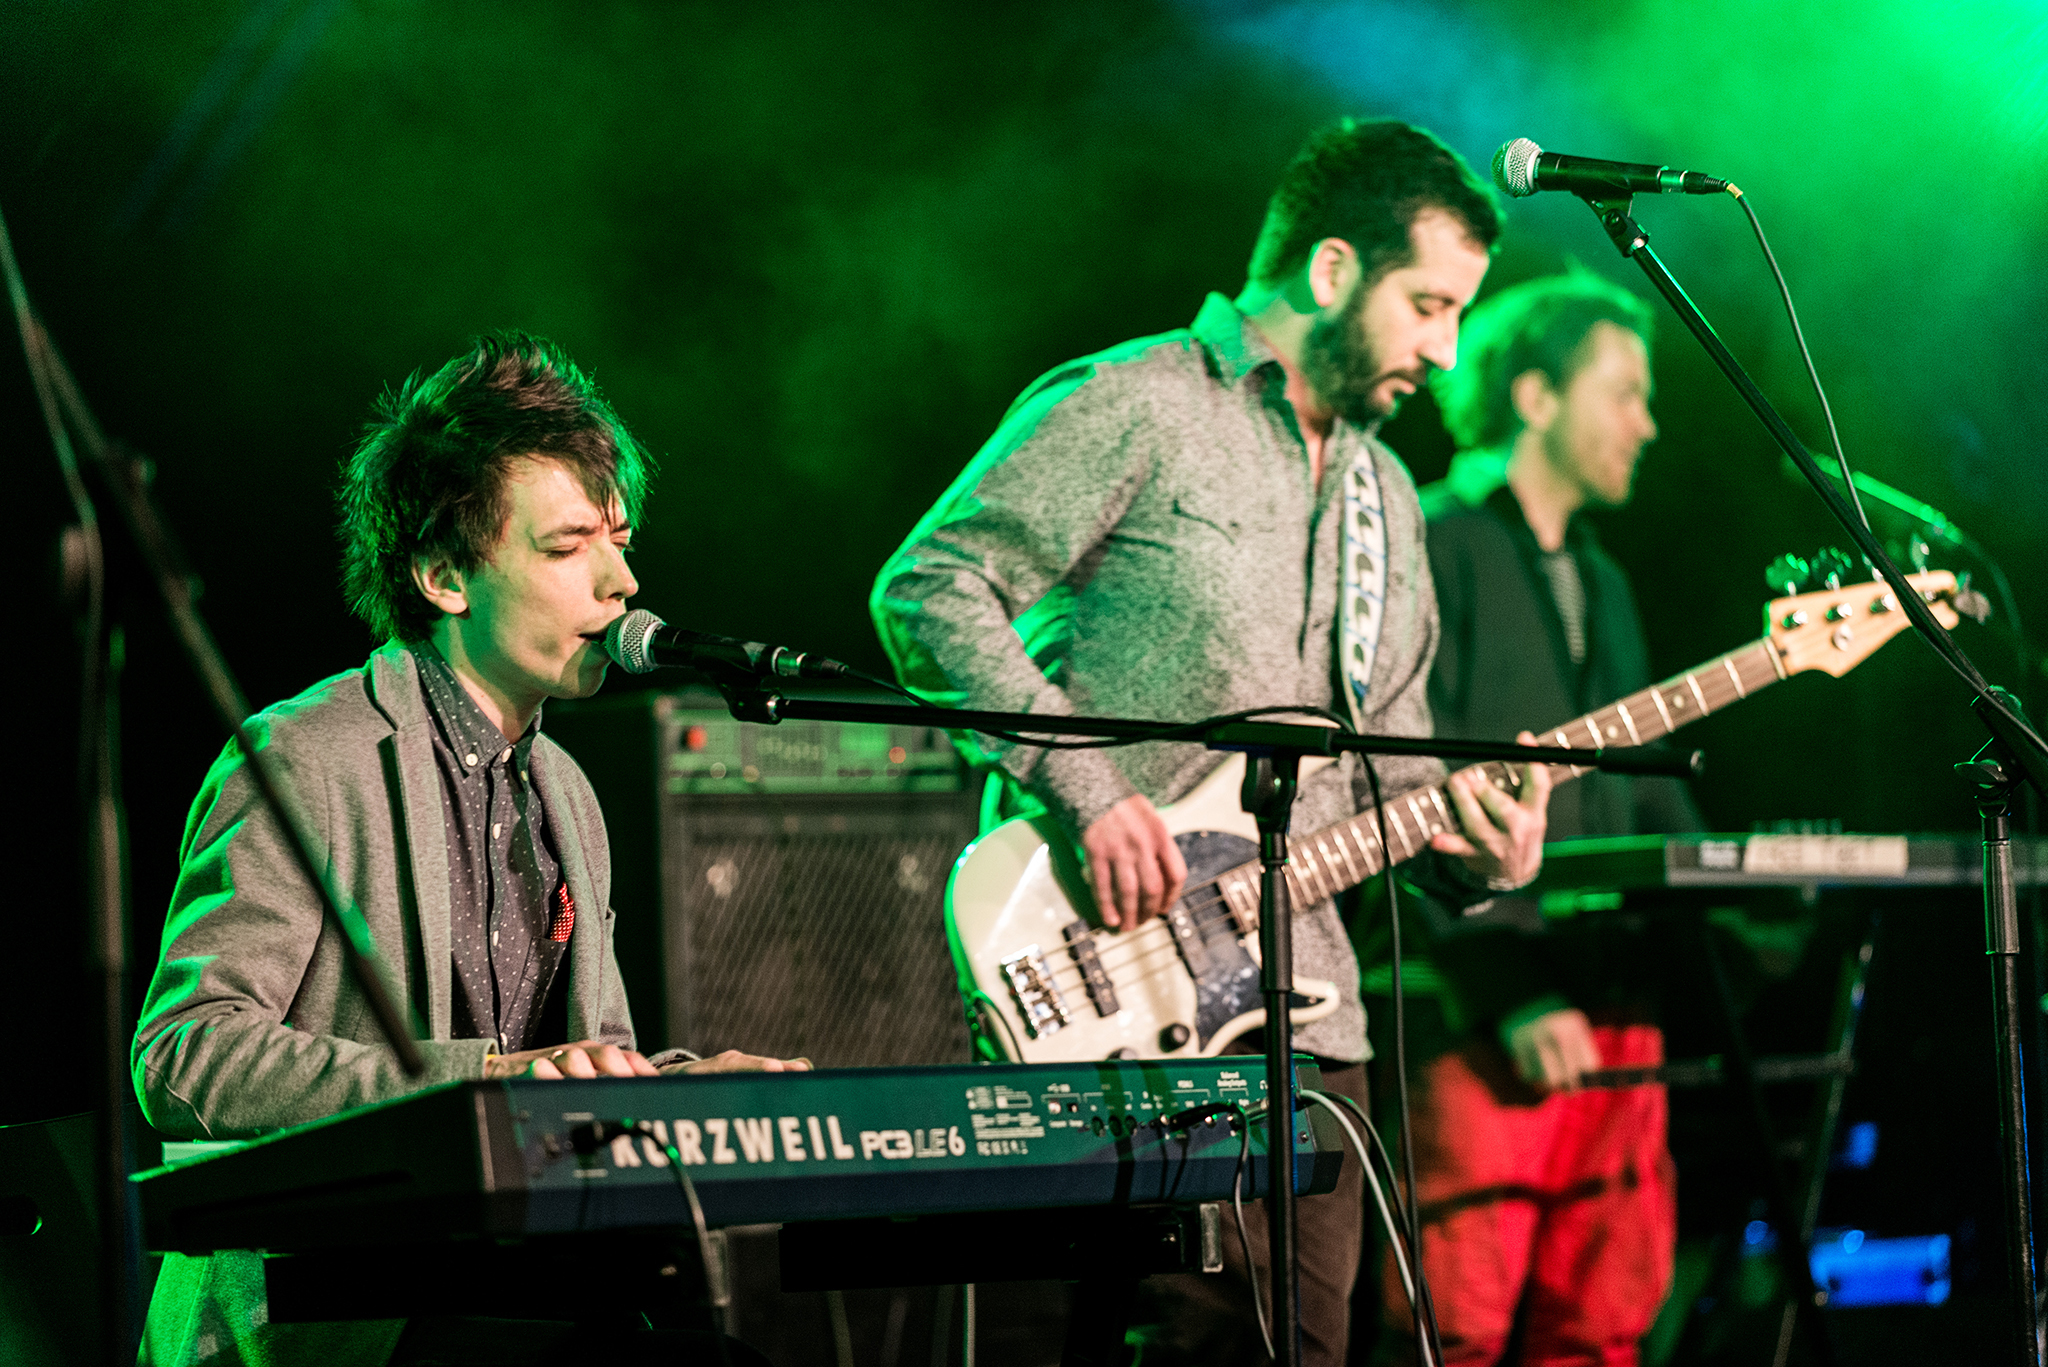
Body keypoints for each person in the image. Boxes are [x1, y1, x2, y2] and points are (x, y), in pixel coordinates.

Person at [871, 119, 1554, 1367]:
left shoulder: (1387, 500)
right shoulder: (1135, 401)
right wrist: (1084, 786)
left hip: (1315, 1031)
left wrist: (1480, 853)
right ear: (1333, 270)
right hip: (1117, 993)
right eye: (1427, 306)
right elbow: (929, 589)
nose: (1446, 351)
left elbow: (1394, 772)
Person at [131, 332, 801, 1367]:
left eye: (620, 540)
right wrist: (483, 1077)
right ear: (444, 575)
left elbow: (586, 1058)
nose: (622, 581)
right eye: (568, 546)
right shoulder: (304, 757)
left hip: (521, 1288)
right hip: (330, 1315)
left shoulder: (567, 790)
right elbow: (186, 1055)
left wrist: (688, 1084)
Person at [1360, 270, 1706, 1365]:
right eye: (1625, 392)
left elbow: (1644, 789)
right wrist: (1505, 983)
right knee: (1451, 1329)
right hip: (1477, 1014)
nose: (1647, 424)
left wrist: (1766, 889)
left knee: (1601, 1327)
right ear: (1535, 395)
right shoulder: (1432, 539)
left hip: (1611, 1005)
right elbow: (1389, 787)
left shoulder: (1604, 580)